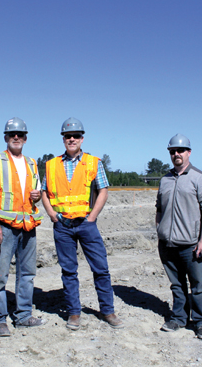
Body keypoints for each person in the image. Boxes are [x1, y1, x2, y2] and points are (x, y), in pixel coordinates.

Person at [41, 117, 123, 331]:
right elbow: (43, 191)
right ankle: (74, 313)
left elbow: (103, 190)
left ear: (82, 139)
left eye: (75, 136)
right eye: (68, 136)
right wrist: (51, 214)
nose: (71, 139)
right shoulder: (51, 165)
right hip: (62, 225)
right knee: (69, 271)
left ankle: (108, 311)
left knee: (101, 269)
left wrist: (93, 216)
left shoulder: (94, 162)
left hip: (86, 224)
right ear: (63, 139)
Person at [0, 117, 46, 337]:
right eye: (12, 134)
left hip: (28, 225)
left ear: (25, 138)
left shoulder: (31, 163)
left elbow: (34, 196)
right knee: (0, 276)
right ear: (6, 138)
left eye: (20, 134)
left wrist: (37, 197)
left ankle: (23, 316)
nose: (16, 137)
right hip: (4, 227)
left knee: (27, 274)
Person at [156, 134, 202, 340]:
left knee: (198, 285)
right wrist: (159, 231)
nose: (176, 154)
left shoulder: (199, 178)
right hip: (167, 243)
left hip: (191, 244)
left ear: (188, 152)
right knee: (177, 284)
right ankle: (179, 318)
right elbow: (159, 209)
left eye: (180, 150)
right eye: (173, 151)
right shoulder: (165, 179)